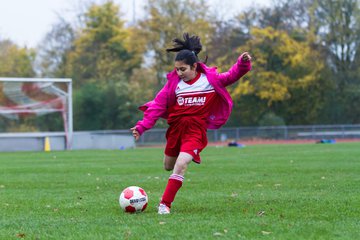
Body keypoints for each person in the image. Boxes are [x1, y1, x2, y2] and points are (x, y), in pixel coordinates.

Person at [131, 33, 252, 214]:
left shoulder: (210, 81)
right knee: (168, 166)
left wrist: (242, 63)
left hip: (195, 132)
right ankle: (170, 186)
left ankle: (164, 204)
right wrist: (142, 127)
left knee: (181, 164)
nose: (179, 73)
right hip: (176, 130)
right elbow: (157, 106)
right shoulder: (174, 84)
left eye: (183, 69)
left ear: (194, 66)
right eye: (177, 69)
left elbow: (233, 75)